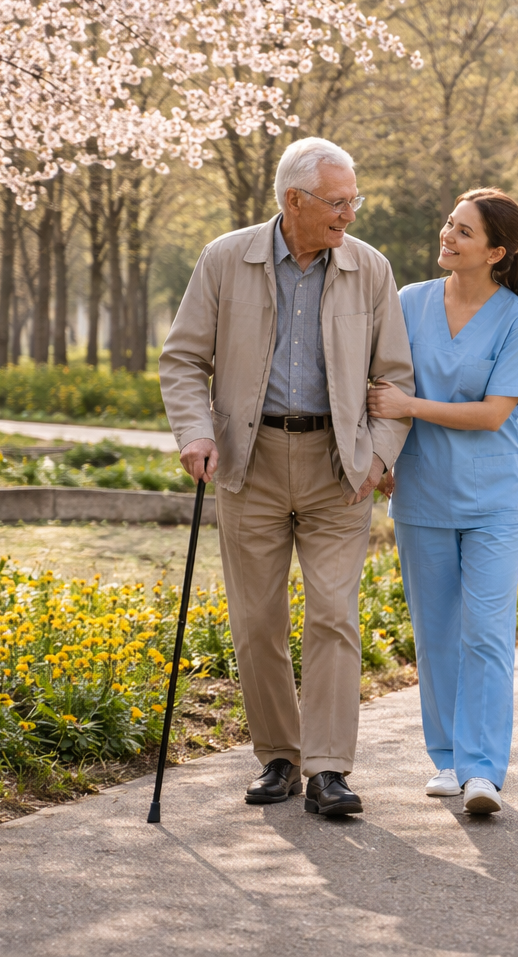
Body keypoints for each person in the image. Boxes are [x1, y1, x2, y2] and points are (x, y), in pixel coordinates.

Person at [160, 137, 414, 816]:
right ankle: (280, 756)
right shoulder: (225, 259)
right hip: (253, 461)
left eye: (353, 200)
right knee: (257, 620)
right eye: (337, 203)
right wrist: (195, 432)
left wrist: (380, 456)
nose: (349, 215)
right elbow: (183, 359)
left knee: (334, 615)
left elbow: (394, 375)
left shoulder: (370, 269)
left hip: (339, 467)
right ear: (293, 201)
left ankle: (329, 768)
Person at [366, 188, 518, 817]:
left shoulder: (517, 320)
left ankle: (484, 771)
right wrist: (383, 452)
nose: (447, 236)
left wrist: (409, 408)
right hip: (421, 494)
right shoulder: (409, 303)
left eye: (463, 232)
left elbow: (495, 414)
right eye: (448, 224)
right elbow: (379, 382)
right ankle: (447, 760)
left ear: (495, 252)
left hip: (495, 499)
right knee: (437, 634)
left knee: (486, 634)